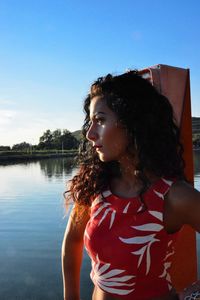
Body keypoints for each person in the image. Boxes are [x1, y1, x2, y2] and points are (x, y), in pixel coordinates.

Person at [62, 71, 200, 300]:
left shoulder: (174, 197)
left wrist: (194, 294)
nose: (89, 133)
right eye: (90, 121)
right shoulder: (95, 186)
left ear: (133, 122)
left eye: (101, 120)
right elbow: (73, 240)